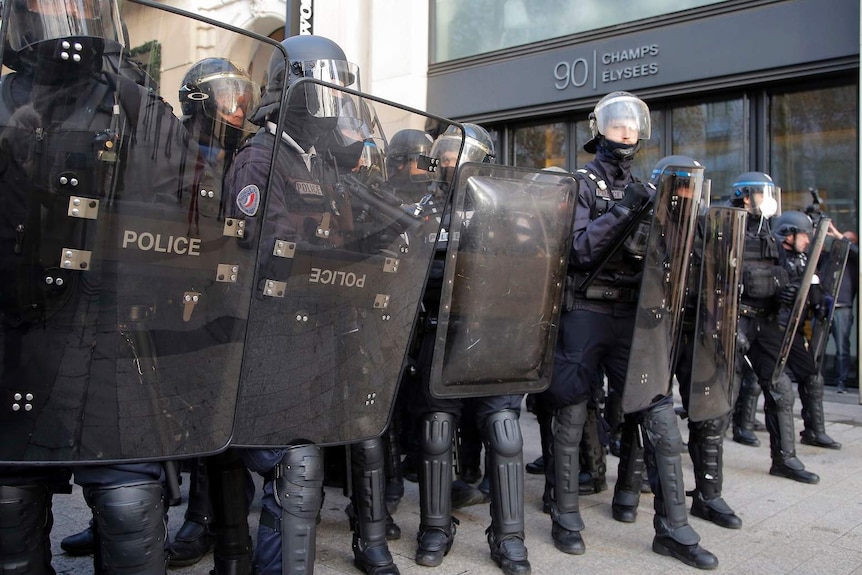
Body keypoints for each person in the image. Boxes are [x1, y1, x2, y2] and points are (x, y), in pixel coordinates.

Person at [0, 0, 213, 572]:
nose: (68, 19)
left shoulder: (136, 106)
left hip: (112, 336)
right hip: (17, 338)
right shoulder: (1, 105)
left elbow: (194, 210)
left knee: (128, 506)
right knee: (10, 507)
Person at [222, 34, 400, 575]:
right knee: (291, 470)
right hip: (275, 337)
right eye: (328, 87)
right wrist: (349, 254)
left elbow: (341, 239)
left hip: (323, 334)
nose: (336, 99)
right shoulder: (259, 159)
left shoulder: (323, 166)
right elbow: (267, 253)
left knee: (312, 468)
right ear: (296, 90)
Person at [540, 91, 718, 570]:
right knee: (571, 411)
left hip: (633, 318)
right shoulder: (581, 184)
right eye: (618, 124)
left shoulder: (645, 186)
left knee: (657, 413)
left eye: (633, 125)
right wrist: (623, 212)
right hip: (584, 312)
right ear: (599, 129)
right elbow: (577, 250)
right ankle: (565, 516)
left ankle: (674, 529)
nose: (628, 132)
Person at [406, 123, 532, 575]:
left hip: (496, 337)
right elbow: (408, 269)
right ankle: (436, 528)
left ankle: (509, 534)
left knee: (504, 430)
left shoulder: (512, 208)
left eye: (458, 155)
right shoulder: (426, 208)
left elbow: (533, 271)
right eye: (442, 156)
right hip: (441, 338)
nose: (446, 162)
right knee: (437, 431)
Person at [729, 174, 820, 483]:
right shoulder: (729, 228)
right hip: (736, 318)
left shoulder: (771, 236)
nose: (768, 200)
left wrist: (785, 290)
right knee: (723, 394)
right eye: (761, 194)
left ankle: (784, 458)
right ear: (745, 197)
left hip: (765, 320)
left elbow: (783, 274)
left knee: (779, 389)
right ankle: (707, 477)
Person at [771, 210, 841, 450]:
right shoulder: (774, 256)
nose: (807, 241)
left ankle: (813, 430)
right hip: (776, 327)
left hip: (796, 328)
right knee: (762, 384)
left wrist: (822, 300)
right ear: (788, 234)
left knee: (812, 377)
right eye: (803, 235)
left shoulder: (803, 259)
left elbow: (813, 287)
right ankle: (738, 426)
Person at [829, 230, 858, 393]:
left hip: (842, 308)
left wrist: (840, 236)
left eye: (848, 240)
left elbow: (856, 251)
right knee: (816, 347)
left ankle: (842, 381)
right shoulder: (833, 258)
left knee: (842, 348)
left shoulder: (854, 260)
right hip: (826, 307)